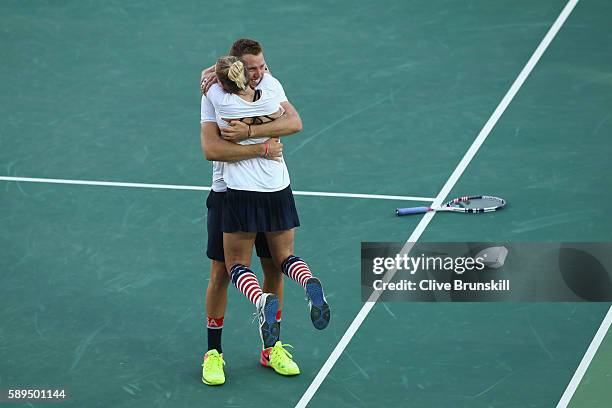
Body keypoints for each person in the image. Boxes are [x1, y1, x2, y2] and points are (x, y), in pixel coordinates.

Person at [205, 55, 330, 378]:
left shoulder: (225, 91)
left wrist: (246, 130)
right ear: (237, 69)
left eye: (263, 66)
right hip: (233, 194)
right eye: (252, 68)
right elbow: (213, 150)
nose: (259, 73)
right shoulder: (248, 94)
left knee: (264, 269)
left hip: (246, 193)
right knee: (223, 273)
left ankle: (271, 347)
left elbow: (294, 123)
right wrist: (261, 146)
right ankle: (214, 353)